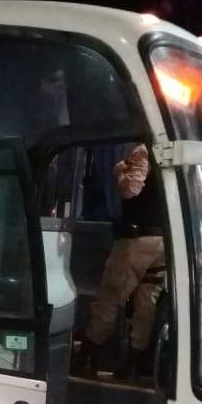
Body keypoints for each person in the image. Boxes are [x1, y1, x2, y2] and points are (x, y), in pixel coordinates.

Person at [73, 143, 165, 378]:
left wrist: (119, 172)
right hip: (164, 243)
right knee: (147, 303)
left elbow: (131, 189)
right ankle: (132, 366)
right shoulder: (173, 152)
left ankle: (88, 358)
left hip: (137, 240)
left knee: (110, 297)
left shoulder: (145, 151)